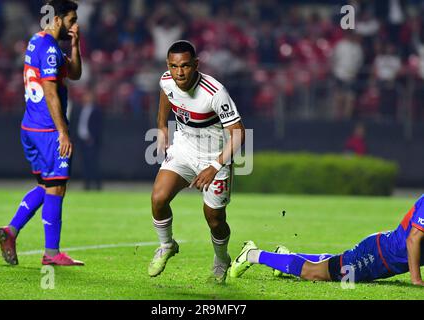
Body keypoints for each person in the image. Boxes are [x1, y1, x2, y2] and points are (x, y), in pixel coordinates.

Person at [149, 40, 245, 283]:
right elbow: (165, 94)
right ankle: (166, 245)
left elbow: (239, 133)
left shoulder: (215, 92)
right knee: (158, 198)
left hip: (215, 157)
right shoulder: (167, 79)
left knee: (214, 218)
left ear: (196, 65)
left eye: (185, 66)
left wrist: (215, 166)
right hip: (184, 149)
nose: (179, 73)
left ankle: (221, 260)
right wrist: (161, 126)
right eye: (173, 66)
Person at [0, 0, 84, 266]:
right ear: (57, 19)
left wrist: (75, 44)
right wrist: (63, 133)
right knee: (57, 188)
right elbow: (49, 92)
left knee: (45, 185)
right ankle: (51, 253)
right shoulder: (49, 50)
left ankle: (10, 231)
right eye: (71, 19)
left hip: (30, 127)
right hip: (47, 130)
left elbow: (75, 74)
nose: (74, 24)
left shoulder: (38, 41)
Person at [230, 195, 424, 286]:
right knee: (314, 273)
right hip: (377, 256)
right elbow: (413, 240)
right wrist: (416, 280)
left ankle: (284, 256)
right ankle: (252, 254)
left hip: (380, 255)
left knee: (333, 263)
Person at [76, 89, 103, 191]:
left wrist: (93, 138)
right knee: (84, 164)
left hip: (91, 141)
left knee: (93, 164)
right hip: (81, 141)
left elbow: (98, 126)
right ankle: (86, 185)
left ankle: (97, 185)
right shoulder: (80, 109)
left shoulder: (96, 110)